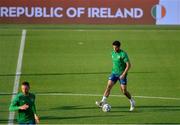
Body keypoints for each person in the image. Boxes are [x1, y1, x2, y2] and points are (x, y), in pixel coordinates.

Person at [96, 40, 135, 111]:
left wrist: (123, 74)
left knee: (124, 91)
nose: (114, 49)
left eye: (116, 48)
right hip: (114, 73)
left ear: (119, 47)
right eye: (113, 47)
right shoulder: (112, 53)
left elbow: (128, 65)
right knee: (108, 86)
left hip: (122, 74)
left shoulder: (123, 54)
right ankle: (102, 102)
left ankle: (132, 101)